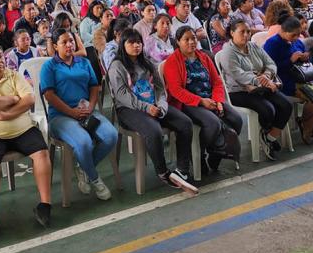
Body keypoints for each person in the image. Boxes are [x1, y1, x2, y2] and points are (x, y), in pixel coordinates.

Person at [0, 43, 54, 243]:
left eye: (0, 57)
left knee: (41, 152)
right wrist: (12, 98)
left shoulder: (13, 75)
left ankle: (45, 205)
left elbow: (29, 99)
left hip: (21, 129)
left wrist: (8, 114)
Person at [108, 29, 198, 191]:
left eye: (139, 42)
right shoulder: (117, 66)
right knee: (154, 130)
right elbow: (122, 95)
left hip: (154, 105)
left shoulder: (147, 63)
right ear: (123, 45)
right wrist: (146, 107)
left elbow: (159, 88)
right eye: (131, 42)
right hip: (129, 110)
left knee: (185, 122)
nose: (136, 45)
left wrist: (161, 106)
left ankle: (182, 170)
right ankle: (163, 172)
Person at [40, 28, 118, 200]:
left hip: (86, 111)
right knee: (84, 142)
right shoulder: (49, 66)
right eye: (64, 42)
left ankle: (83, 167)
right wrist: (72, 112)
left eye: (71, 41)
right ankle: (95, 179)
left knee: (111, 135)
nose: (69, 45)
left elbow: (94, 86)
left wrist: (90, 107)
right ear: (55, 46)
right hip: (60, 116)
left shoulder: (83, 62)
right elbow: (49, 95)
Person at [162, 26, 242, 174]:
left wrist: (218, 100)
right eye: (186, 39)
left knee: (237, 120)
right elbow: (176, 90)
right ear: (178, 42)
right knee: (213, 123)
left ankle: (214, 155)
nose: (191, 42)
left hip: (211, 98)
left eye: (193, 38)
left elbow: (217, 81)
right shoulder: (172, 61)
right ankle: (198, 155)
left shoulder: (203, 56)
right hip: (188, 102)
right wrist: (201, 101)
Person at [217, 18, 291, 160]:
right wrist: (261, 80)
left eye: (248, 31)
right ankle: (267, 133)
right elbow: (239, 75)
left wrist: (267, 75)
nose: (246, 35)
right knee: (268, 109)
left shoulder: (253, 46)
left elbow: (271, 63)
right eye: (242, 32)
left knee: (285, 105)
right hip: (238, 91)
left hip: (261, 87)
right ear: (232, 33)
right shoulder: (228, 53)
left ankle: (269, 137)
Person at [264, 15, 313, 144]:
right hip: (285, 80)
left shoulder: (296, 42)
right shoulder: (272, 44)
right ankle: (306, 126)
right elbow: (269, 69)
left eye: (298, 34)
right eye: (293, 35)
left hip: (303, 76)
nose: (296, 38)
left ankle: (306, 124)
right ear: (283, 31)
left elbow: (307, 59)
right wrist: (290, 60)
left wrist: (306, 57)